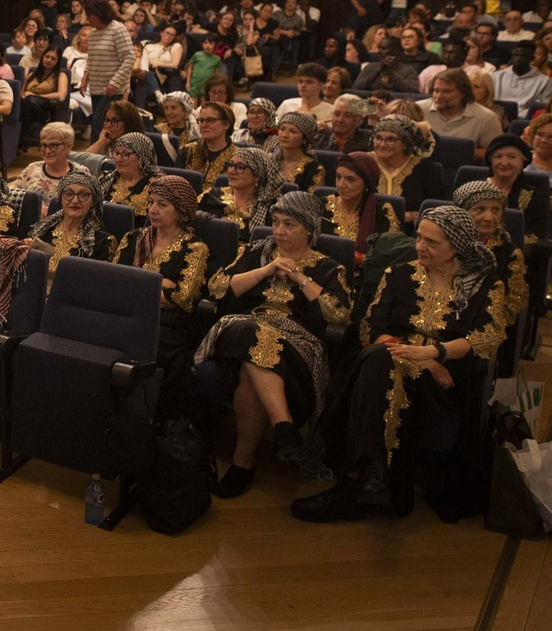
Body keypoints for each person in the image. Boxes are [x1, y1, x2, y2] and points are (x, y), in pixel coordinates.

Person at [296, 207, 507, 523]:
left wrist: (435, 356)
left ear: (458, 247)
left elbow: (485, 338)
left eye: (432, 242)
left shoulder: (486, 286)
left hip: (446, 379)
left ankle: (357, 483)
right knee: (380, 361)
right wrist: (419, 358)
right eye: (419, 237)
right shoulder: (399, 274)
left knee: (375, 368)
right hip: (392, 362)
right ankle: (374, 474)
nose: (420, 246)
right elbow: (372, 328)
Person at [197, 192, 351, 498]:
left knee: (250, 373)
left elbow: (339, 312)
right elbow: (217, 287)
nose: (278, 231)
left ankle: (243, 465)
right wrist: (266, 270)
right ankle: (284, 426)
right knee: (255, 331)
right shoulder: (256, 251)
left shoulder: (329, 268)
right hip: (240, 328)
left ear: (309, 229)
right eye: (276, 223)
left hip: (295, 347)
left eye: (289, 225)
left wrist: (301, 279)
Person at [112, 175, 210, 382]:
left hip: (169, 325)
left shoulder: (194, 248)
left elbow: (182, 298)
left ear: (181, 210)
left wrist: (139, 286)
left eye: (162, 204)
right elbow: (115, 282)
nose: (152, 210)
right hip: (126, 312)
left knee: (137, 337)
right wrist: (161, 284)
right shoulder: (133, 237)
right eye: (150, 202)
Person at [27, 172, 114, 290]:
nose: (74, 200)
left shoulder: (102, 242)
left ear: (93, 201)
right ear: (60, 198)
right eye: (68, 194)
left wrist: (46, 249)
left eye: (84, 195)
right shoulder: (41, 230)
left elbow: (94, 285)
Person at [456, 181, 528, 321]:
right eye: (480, 209)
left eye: (495, 210)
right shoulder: (446, 244)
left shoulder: (510, 255)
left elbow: (509, 309)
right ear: (462, 213)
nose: (489, 218)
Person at [322, 152, 402, 271]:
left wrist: (358, 259)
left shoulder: (382, 212)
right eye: (338, 177)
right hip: (324, 275)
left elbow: (393, 256)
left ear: (366, 184)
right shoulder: (321, 205)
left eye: (350, 179)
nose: (341, 184)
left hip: (365, 279)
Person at [372, 115, 445, 222]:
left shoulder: (428, 170)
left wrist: (410, 217)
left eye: (391, 139)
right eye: (378, 138)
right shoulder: (362, 162)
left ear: (406, 144)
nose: (382, 144)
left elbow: (435, 213)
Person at [84, 0, 135, 140]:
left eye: (89, 15)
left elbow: (129, 58)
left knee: (99, 123)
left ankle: (96, 158)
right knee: (100, 124)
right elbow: (91, 58)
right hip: (96, 87)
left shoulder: (118, 29)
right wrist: (85, 77)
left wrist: (114, 82)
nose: (88, 19)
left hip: (113, 88)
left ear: (97, 14)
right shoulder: (94, 33)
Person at [419, 68, 499, 159]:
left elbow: (495, 153)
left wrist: (458, 151)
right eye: (436, 90)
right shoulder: (419, 109)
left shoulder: (487, 117)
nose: (438, 96)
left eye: (446, 91)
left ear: (463, 93)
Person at [201, 146, 283, 235]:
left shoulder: (271, 207)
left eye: (240, 167)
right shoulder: (211, 195)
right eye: (230, 165)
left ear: (258, 175)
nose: (231, 171)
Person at [484, 133, 549, 244]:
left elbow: (537, 237)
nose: (504, 162)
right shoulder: (472, 189)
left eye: (512, 157)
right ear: (490, 161)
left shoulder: (534, 196)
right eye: (498, 156)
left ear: (523, 162)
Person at [100, 131, 160, 221]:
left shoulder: (157, 185)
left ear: (141, 157)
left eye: (126, 154)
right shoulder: (107, 178)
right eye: (116, 153)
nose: (119, 159)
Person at [180, 102, 238, 194]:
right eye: (201, 120)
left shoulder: (237, 157)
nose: (204, 125)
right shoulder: (187, 150)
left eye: (210, 120)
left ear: (226, 125)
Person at [493, 40, 552, 116]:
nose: (518, 59)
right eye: (516, 55)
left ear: (532, 58)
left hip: (524, 119)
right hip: (496, 115)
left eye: (523, 56)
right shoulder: (496, 76)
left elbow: (542, 107)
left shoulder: (545, 81)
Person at [19, 46, 68, 132]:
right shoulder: (32, 74)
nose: (48, 60)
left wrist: (36, 96)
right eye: (47, 56)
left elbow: (61, 96)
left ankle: (19, 141)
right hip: (27, 107)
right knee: (22, 104)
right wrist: (25, 96)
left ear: (57, 62)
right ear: (43, 57)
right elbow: (22, 93)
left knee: (28, 101)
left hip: (45, 110)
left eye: (53, 59)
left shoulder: (61, 76)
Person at [274, 112, 325, 190]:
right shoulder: (270, 161)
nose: (285, 135)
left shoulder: (314, 169)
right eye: (282, 129)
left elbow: (310, 200)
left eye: (293, 132)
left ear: (305, 139)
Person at [354, 36, 421, 93]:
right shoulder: (371, 67)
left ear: (396, 50)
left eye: (383, 48)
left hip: (396, 105)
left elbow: (414, 92)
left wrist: (391, 72)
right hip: (371, 104)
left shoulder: (409, 71)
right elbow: (355, 88)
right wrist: (378, 71)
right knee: (349, 99)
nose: (379, 51)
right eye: (379, 48)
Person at [143, 23, 184, 94]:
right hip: (148, 71)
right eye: (167, 33)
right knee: (147, 74)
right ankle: (158, 94)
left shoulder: (175, 46)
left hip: (163, 75)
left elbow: (175, 65)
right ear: (161, 33)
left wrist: (158, 64)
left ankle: (157, 93)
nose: (169, 36)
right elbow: (143, 61)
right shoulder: (149, 46)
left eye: (172, 35)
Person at [185, 33, 223, 101]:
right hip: (194, 84)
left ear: (215, 45)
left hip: (206, 85)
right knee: (193, 105)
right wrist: (188, 82)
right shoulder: (197, 55)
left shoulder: (217, 59)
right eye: (205, 43)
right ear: (202, 44)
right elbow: (190, 67)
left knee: (204, 105)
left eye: (211, 43)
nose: (207, 45)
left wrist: (214, 85)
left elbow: (216, 73)